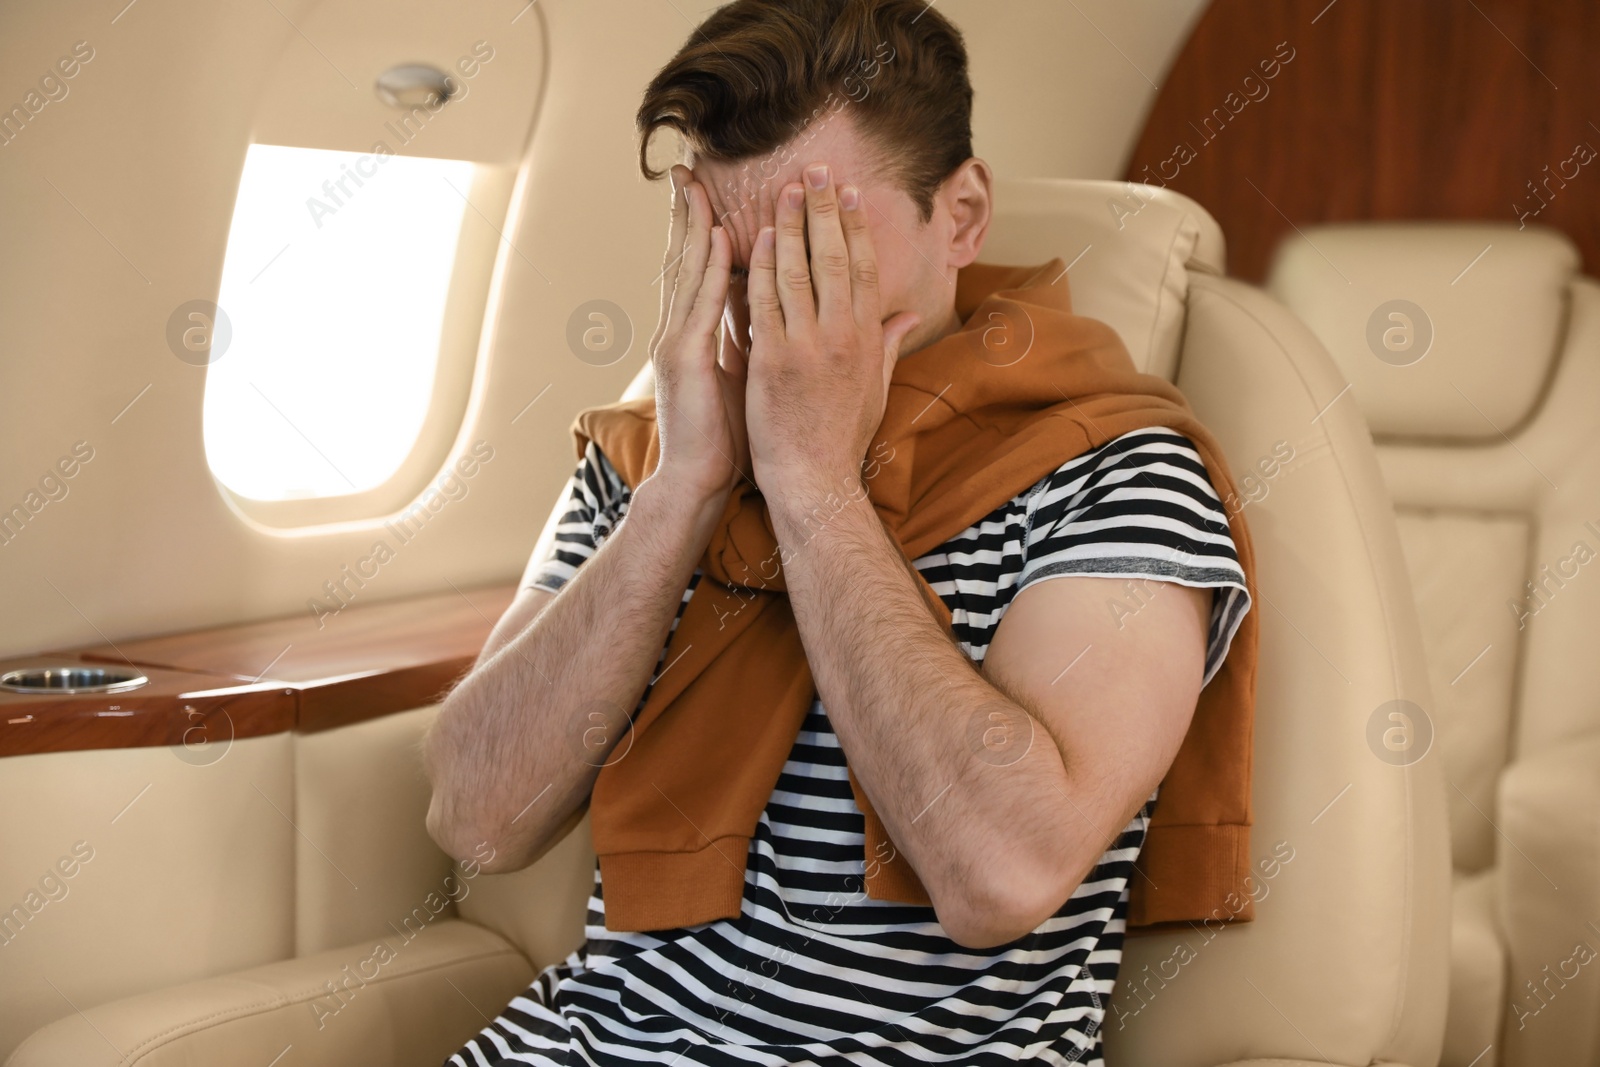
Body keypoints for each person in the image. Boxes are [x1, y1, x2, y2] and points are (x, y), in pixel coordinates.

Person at [424, 1, 1256, 1063]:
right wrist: (684, 487)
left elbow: (999, 872)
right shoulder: (657, 443)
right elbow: (479, 815)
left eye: (819, 250)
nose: (770, 307)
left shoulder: (1114, 470)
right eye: (734, 257)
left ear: (960, 216)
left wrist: (812, 483)